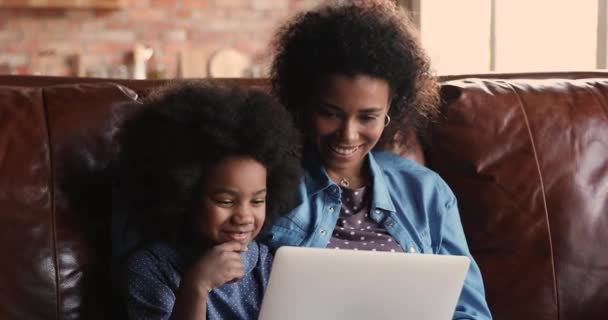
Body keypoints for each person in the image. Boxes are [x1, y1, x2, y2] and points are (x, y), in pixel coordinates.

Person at [260, 0, 493, 319]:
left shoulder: (426, 193)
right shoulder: (266, 186)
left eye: (367, 117)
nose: (348, 135)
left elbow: (471, 312)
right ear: (304, 104)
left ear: (390, 114)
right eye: (330, 113)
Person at [117, 81, 302, 320]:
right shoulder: (150, 267)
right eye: (225, 201)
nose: (244, 216)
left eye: (257, 202)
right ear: (183, 195)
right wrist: (196, 287)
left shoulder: (269, 265)